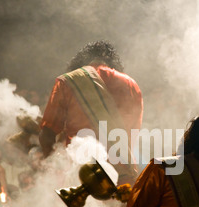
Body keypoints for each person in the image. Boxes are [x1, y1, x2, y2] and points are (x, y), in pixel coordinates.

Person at [39, 40, 143, 185]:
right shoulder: (131, 84)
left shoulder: (68, 81)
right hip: (123, 176)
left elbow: (47, 134)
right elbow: (133, 132)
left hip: (82, 175)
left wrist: (52, 170)